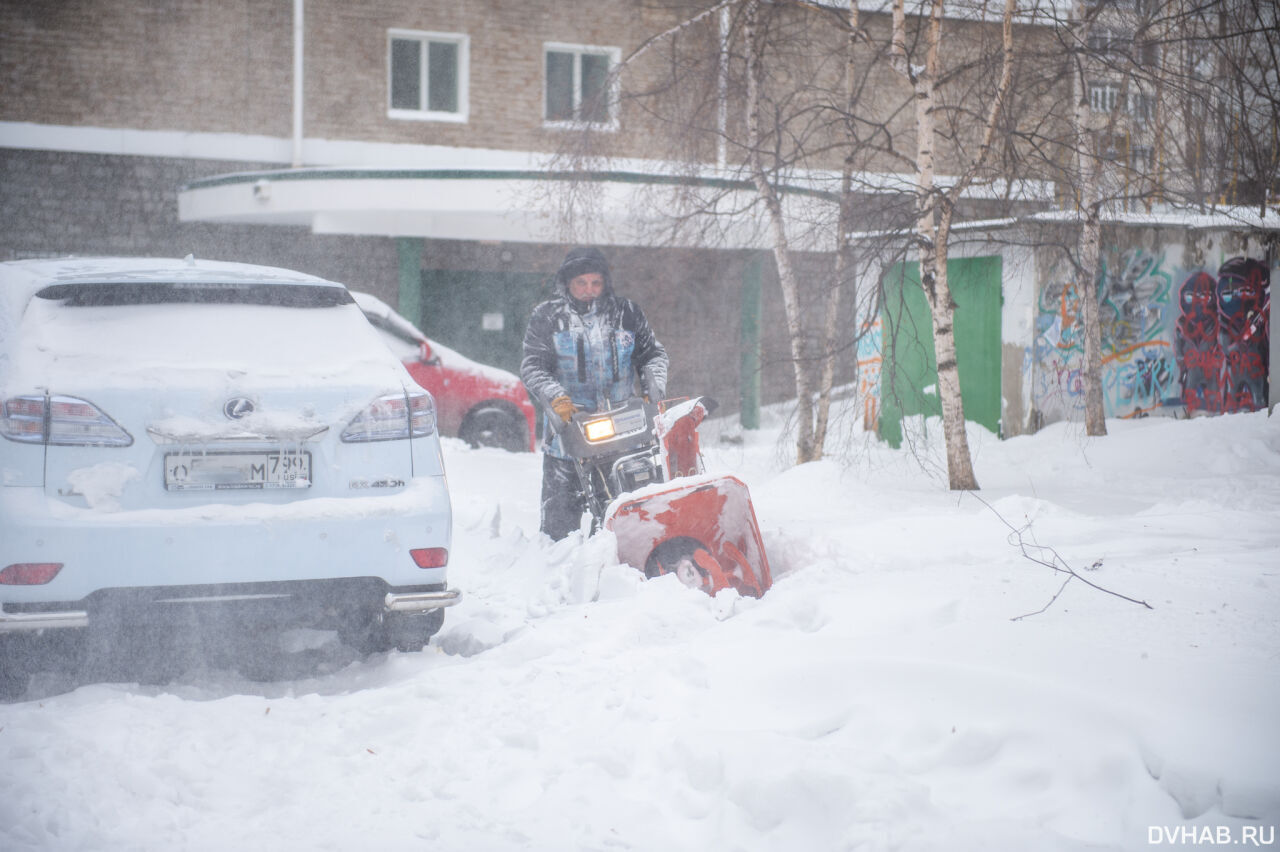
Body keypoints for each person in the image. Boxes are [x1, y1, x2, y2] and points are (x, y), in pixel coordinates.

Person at [521, 246, 669, 540]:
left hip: (625, 434)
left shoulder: (626, 314)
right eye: (581, 283)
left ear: (605, 283)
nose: (589, 290)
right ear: (567, 284)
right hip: (569, 434)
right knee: (559, 529)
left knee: (634, 519)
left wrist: (653, 385)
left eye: (595, 283)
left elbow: (653, 354)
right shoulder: (548, 317)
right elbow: (533, 366)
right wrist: (556, 397)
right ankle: (560, 573)